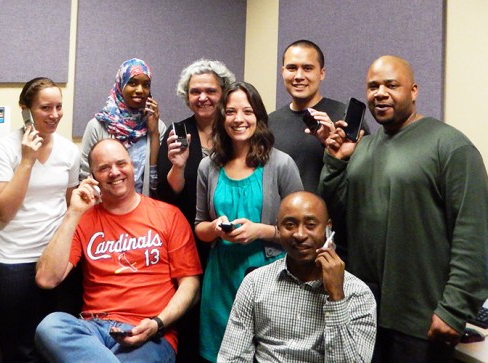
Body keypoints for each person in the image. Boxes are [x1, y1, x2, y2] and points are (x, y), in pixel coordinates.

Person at [319, 55, 488, 363]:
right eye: (372, 86)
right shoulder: (364, 147)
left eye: (391, 85)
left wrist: (453, 309)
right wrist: (337, 161)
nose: (379, 93)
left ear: (413, 91)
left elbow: (473, 235)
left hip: (419, 320)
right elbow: (339, 216)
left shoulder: (450, 146)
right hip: (364, 313)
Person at [34, 138, 202, 362]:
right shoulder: (84, 219)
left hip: (148, 333)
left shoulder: (168, 215)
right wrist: (73, 213)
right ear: (93, 177)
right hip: (92, 331)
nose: (114, 172)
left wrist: (157, 323)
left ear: (132, 166)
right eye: (104, 168)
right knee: (50, 326)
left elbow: (190, 286)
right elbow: (46, 279)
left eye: (121, 163)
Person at [195, 81, 303, 362]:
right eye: (230, 112)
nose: (238, 119)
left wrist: (260, 231)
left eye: (247, 111)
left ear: (258, 116)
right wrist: (216, 228)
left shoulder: (281, 164)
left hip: (269, 279)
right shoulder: (209, 166)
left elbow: (305, 232)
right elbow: (199, 227)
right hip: (221, 281)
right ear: (222, 117)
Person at [0, 77, 80, 362]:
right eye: (45, 108)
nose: (55, 115)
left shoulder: (68, 152)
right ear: (25, 109)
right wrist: (27, 160)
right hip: (10, 263)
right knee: (21, 350)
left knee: (57, 343)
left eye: (59, 107)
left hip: (54, 260)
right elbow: (3, 211)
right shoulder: (1, 150)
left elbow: (68, 203)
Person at [218, 191, 377, 362]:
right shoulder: (254, 283)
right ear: (278, 229)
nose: (300, 235)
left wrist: (336, 297)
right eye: (290, 225)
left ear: (328, 228)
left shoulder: (358, 294)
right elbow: (232, 356)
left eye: (310, 225)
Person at [156, 59, 235, 362]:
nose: (203, 97)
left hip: (231, 235)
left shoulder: (235, 127)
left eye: (210, 91)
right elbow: (168, 192)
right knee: (192, 308)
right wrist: (177, 166)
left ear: (223, 92)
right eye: (195, 91)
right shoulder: (177, 131)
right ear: (186, 95)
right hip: (188, 238)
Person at [269, 39, 369, 257]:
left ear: (321, 73)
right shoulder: (269, 123)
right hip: (284, 240)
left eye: (307, 68)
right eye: (292, 68)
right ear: (282, 71)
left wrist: (331, 147)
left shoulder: (343, 118)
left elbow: (365, 180)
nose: (299, 76)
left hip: (336, 240)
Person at [80, 58, 166, 196]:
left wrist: (154, 132)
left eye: (146, 85)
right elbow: (85, 173)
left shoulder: (157, 126)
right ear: (120, 85)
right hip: (105, 207)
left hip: (144, 207)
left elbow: (157, 177)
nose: (140, 90)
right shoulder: (98, 125)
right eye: (132, 83)